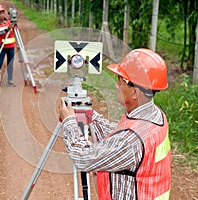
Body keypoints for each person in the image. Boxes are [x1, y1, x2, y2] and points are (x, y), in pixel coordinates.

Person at [59, 48, 171, 200]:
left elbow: (85, 159)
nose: (116, 85)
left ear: (135, 93)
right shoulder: (154, 115)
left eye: (120, 81)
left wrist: (69, 122)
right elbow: (119, 135)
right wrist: (90, 116)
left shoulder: (132, 141)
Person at [0, 4, 16, 88]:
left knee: (10, 64)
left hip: (11, 47)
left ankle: (10, 80)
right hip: (2, 47)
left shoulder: (9, 22)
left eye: (3, 13)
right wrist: (7, 29)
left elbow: (15, 32)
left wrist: (14, 26)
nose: (2, 15)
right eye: (0, 13)